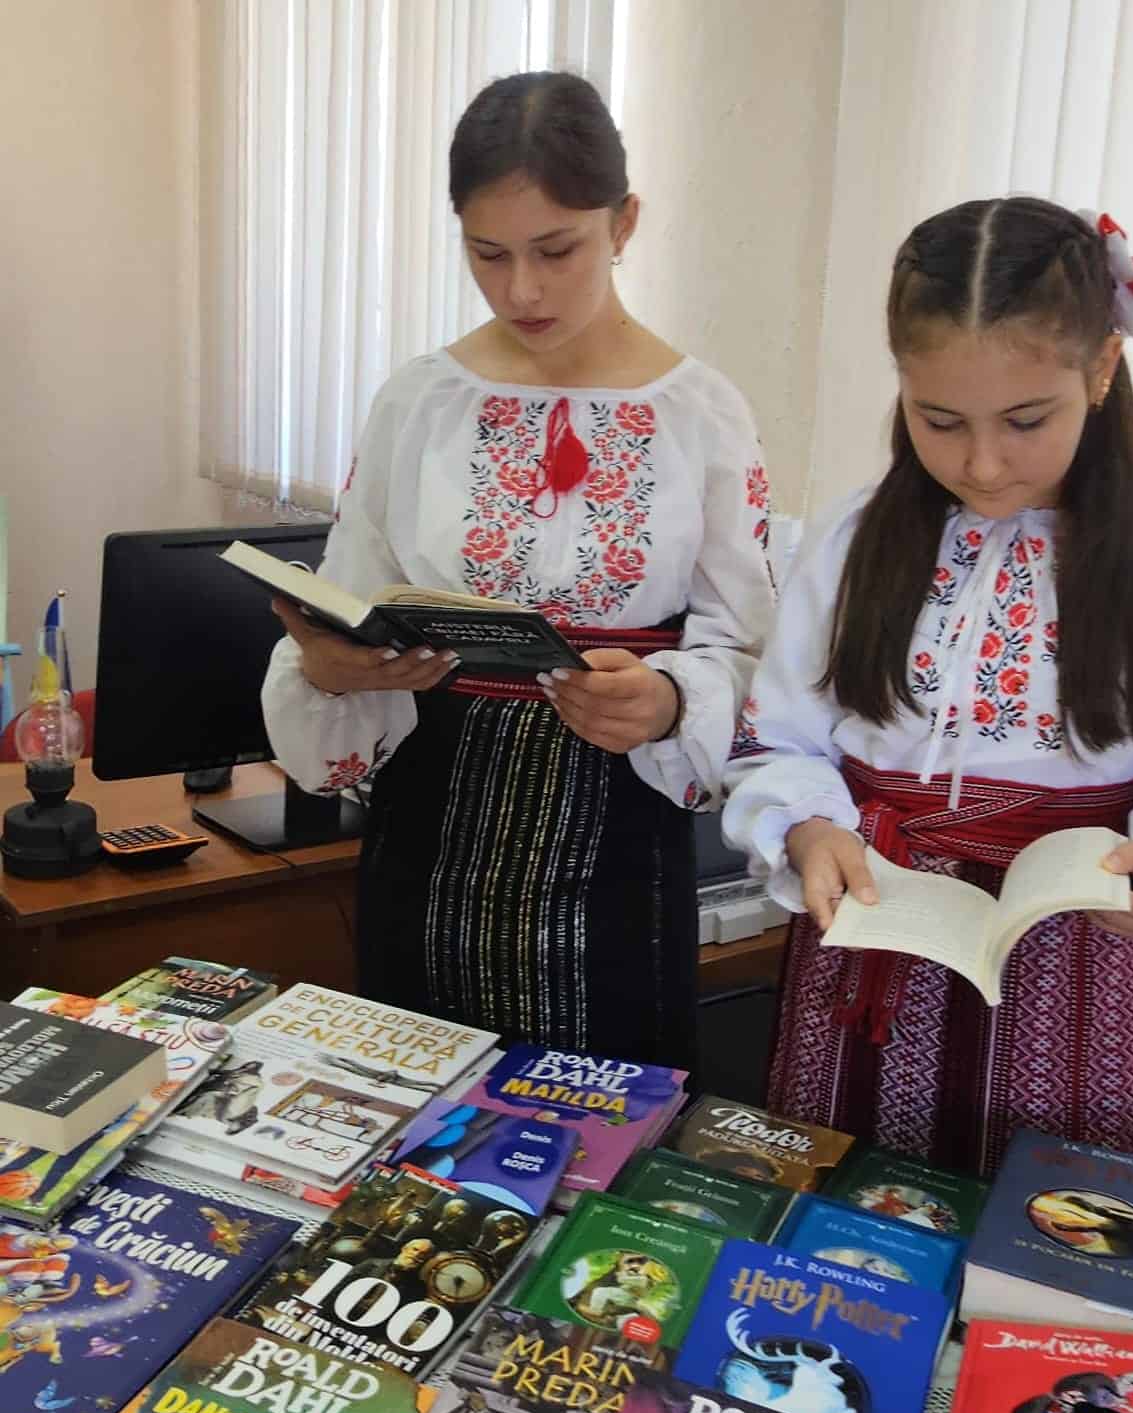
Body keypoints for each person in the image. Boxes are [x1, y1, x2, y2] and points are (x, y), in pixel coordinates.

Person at [723, 197, 1133, 1174]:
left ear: (1101, 368)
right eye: (938, 419)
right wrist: (808, 827)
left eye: (1025, 421)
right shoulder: (853, 540)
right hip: (878, 935)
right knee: (854, 1219)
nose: (980, 464)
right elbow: (779, 738)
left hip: (1086, 954)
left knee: (1064, 1231)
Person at [263, 72, 776, 1071]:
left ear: (624, 222)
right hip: (429, 830)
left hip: (616, 838)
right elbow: (348, 603)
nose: (521, 291)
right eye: (487, 254)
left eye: (556, 250)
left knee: (606, 1123)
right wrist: (330, 668)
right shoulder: (420, 402)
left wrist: (671, 700)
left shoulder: (700, 413)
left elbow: (750, 645)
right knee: (418, 1117)